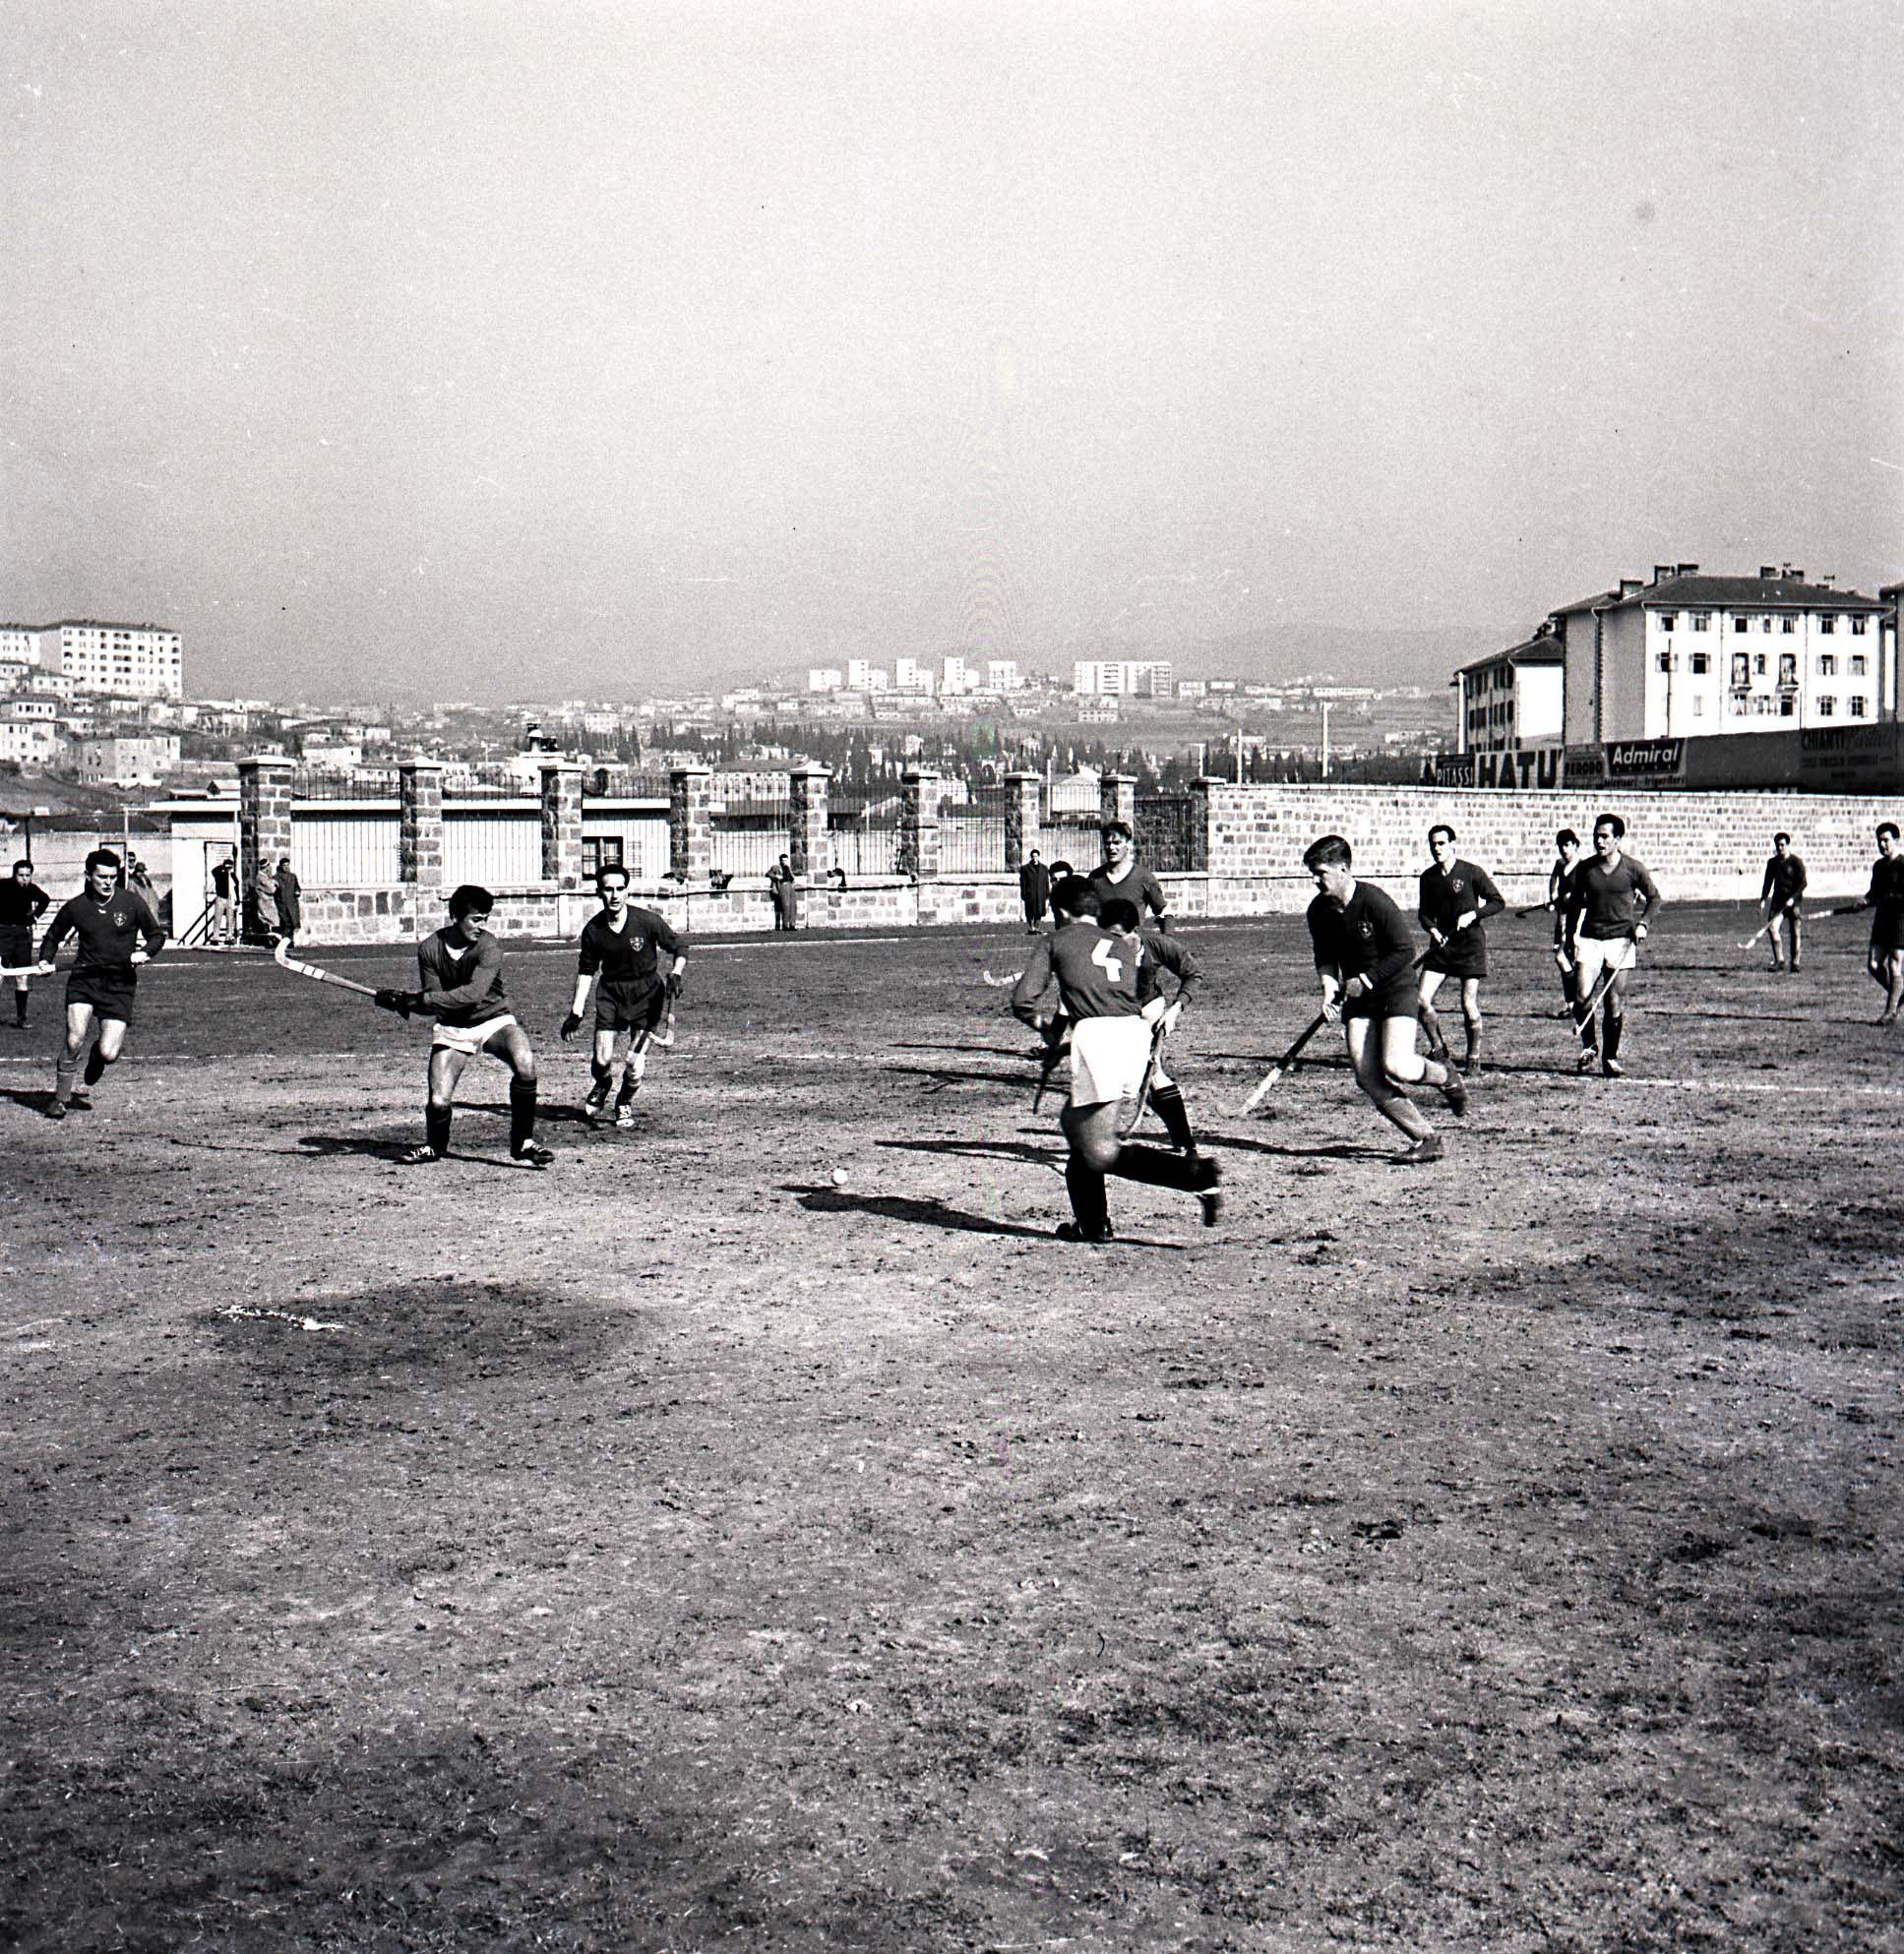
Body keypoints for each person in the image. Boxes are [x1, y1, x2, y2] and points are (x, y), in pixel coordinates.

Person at [1010, 876, 1220, 1242]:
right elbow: (1116, 998)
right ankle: (1092, 1224)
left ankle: (1195, 1175)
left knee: (1100, 1149)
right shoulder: (1121, 944)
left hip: (1099, 1041)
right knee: (1075, 1126)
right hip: (1134, 1035)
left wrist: (1045, 1029)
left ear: (1062, 912)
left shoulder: (1056, 940)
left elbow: (1023, 1002)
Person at [1303, 833, 1465, 1164]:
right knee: (1367, 1076)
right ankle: (1426, 1138)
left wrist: (1366, 979)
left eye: (1321, 873)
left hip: (1394, 989)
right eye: (1313, 874)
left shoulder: (1374, 901)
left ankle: (1445, 1077)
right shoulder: (1318, 910)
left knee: (1397, 1064)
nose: (1316, 881)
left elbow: (1405, 950)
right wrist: (1329, 989)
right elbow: (1325, 956)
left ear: (1343, 869)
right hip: (1358, 997)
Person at [374, 884, 554, 1168]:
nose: (482, 926)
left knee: (525, 1063)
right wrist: (402, 1002)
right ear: (456, 917)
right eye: (476, 919)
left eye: (486, 919)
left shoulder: (489, 946)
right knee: (438, 1100)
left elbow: (472, 995)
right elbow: (437, 1002)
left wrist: (418, 999)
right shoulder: (430, 949)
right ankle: (434, 1147)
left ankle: (523, 1142)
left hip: (493, 1019)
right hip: (453, 1027)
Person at [36, 848, 166, 1119]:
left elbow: (156, 935)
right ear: (88, 876)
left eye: (112, 877)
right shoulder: (76, 907)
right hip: (84, 980)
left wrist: (145, 952)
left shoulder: (131, 903)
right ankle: (60, 1099)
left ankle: (97, 1056)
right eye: (102, 877)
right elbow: (52, 937)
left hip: (119, 984)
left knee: (109, 1053)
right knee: (74, 1039)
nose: (108, 882)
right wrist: (45, 960)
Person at [560, 864, 687, 1129]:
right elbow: (586, 972)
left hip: (647, 996)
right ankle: (603, 1082)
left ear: (627, 890)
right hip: (611, 995)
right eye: (608, 889)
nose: (615, 895)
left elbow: (679, 946)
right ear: (599, 892)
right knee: (602, 1060)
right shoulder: (593, 930)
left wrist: (676, 972)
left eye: (620, 889)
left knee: (634, 1063)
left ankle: (624, 1101)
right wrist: (576, 1013)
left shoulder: (646, 921)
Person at [1099, 896, 1204, 1160]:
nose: (1111, 943)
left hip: (1148, 1012)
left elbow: (1192, 973)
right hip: (1116, 1016)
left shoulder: (1155, 944)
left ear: (1135, 931)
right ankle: (1182, 1140)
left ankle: (1186, 1143)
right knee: (1137, 1077)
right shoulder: (1099, 950)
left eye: (1117, 936)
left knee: (1152, 1073)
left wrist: (1175, 1010)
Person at [1562, 813, 1664, 1077]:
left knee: (1613, 1002)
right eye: (1596, 836)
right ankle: (1589, 1046)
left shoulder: (1633, 868)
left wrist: (1643, 924)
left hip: (1621, 942)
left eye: (1605, 837)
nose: (1599, 841)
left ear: (1618, 839)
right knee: (1581, 996)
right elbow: (1575, 906)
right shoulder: (1585, 869)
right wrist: (1569, 938)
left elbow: (1654, 898)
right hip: (1591, 939)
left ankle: (1610, 1057)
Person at [1415, 824, 1505, 1076]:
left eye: (1441, 844)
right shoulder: (1428, 878)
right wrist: (1432, 930)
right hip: (1442, 947)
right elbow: (1424, 914)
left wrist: (1473, 915)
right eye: (1433, 844)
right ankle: (1438, 1048)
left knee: (1468, 1003)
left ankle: (1473, 1057)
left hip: (1469, 946)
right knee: (1421, 999)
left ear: (1452, 844)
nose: (1437, 849)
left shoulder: (1471, 872)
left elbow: (1498, 902)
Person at [1859, 822, 1904, 1024]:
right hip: (1882, 921)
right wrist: (1865, 900)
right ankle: (1898, 994)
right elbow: (1874, 892)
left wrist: (1888, 899)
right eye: (1879, 841)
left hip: (1900, 921)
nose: (1882, 845)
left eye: (1886, 840)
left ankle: (1890, 1012)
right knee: (1874, 965)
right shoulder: (1878, 866)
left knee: (1895, 964)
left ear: (1896, 840)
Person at [1086, 820, 1170, 929]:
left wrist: (1167, 936)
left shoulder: (1143, 877)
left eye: (1116, 843)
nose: (1111, 848)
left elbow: (1163, 910)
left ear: (1128, 844)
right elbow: (1086, 913)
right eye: (1107, 843)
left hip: (1132, 939)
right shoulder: (1095, 877)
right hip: (1103, 938)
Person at [1, 858, 52, 1029]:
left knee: (22, 975)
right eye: (21, 875)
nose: (24, 879)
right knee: (0, 974)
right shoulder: (2, 886)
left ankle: (21, 1018)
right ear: (14, 874)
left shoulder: (31, 889)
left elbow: (45, 899)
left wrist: (35, 916)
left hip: (22, 936)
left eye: (27, 875)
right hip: (2, 934)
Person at [1546, 828, 1584, 1016]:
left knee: (1569, 959)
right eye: (1561, 846)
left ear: (1575, 846)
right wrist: (1553, 901)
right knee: (1563, 960)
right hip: (1563, 919)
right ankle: (1572, 1004)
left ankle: (1578, 1002)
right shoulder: (1560, 865)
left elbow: (1587, 899)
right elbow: (1554, 884)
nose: (1564, 849)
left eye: (1567, 845)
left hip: (1579, 919)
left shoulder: (1583, 868)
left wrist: (1573, 897)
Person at [1018, 848, 1051, 934]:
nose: (1034, 858)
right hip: (1030, 894)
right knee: (1030, 911)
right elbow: (1023, 882)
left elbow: (1046, 881)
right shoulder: (1025, 868)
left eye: (1036, 856)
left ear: (1038, 857)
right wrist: (1024, 893)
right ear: (1031, 857)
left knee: (1039, 911)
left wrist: (1047, 892)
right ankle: (1030, 927)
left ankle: (1037, 927)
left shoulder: (1044, 868)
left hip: (1040, 893)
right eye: (1033, 856)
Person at [247, 857, 280, 944]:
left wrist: (272, 881)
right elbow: (271, 889)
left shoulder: (264, 877)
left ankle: (272, 938)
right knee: (270, 921)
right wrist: (274, 885)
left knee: (272, 920)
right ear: (266, 867)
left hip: (266, 902)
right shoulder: (261, 877)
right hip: (265, 902)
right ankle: (270, 938)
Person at [275, 857, 303, 950]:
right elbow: (274, 892)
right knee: (286, 923)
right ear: (281, 866)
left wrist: (297, 892)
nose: (286, 867)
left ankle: (290, 941)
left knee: (293, 923)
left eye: (288, 865)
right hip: (282, 904)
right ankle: (285, 941)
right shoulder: (276, 878)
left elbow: (297, 887)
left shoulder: (293, 876)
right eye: (284, 865)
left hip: (292, 903)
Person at [768, 854, 798, 931]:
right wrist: (776, 877)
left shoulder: (788, 867)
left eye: (786, 860)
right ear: (780, 860)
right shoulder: (776, 867)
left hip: (790, 886)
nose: (784, 862)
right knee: (785, 905)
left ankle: (792, 925)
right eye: (783, 860)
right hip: (782, 886)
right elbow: (768, 874)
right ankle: (785, 925)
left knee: (793, 905)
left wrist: (793, 879)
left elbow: (792, 876)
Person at [211, 852, 236, 943]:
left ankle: (229, 936)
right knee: (218, 918)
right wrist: (223, 866)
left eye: (230, 867)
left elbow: (236, 886)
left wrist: (237, 899)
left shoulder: (233, 875)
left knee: (230, 919)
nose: (229, 869)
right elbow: (213, 871)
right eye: (227, 867)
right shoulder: (220, 874)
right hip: (221, 897)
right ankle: (215, 937)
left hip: (230, 898)